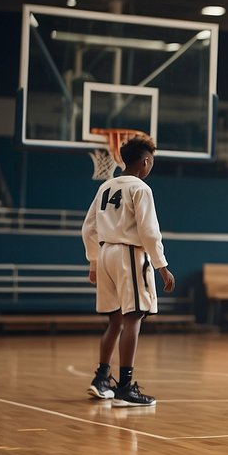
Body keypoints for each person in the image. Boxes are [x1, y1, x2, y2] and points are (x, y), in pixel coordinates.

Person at [81, 135, 175, 407]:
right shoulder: (141, 189)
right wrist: (163, 267)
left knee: (115, 321)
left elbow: (88, 228)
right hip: (129, 255)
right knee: (134, 318)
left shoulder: (106, 187)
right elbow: (149, 232)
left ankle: (101, 378)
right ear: (146, 162)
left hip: (106, 252)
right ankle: (125, 386)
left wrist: (94, 261)